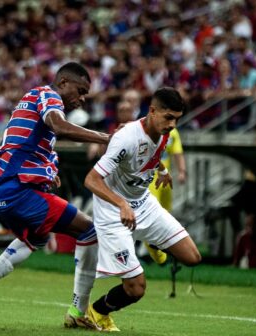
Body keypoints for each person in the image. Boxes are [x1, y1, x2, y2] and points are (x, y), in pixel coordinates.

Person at [0, 62, 109, 328]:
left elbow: (29, 141)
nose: (83, 98)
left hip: (0, 190)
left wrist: (48, 171)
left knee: (36, 238)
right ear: (63, 82)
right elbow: (60, 127)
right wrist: (105, 138)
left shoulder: (34, 100)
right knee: (89, 231)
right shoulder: (49, 96)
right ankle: (78, 312)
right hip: (15, 190)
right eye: (81, 90)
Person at [83, 87, 201, 331]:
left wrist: (164, 171)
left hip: (143, 203)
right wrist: (122, 204)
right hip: (113, 210)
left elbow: (151, 153)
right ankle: (96, 311)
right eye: (169, 117)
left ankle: (151, 240)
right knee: (136, 289)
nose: (173, 124)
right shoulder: (125, 138)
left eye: (177, 119)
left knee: (192, 257)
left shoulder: (163, 131)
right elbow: (91, 180)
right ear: (152, 111)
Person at [146, 126, 186, 264]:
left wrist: (182, 171)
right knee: (151, 213)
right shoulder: (150, 130)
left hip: (165, 178)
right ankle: (153, 252)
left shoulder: (173, 133)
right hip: (151, 179)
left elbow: (177, 152)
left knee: (166, 212)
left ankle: (162, 247)